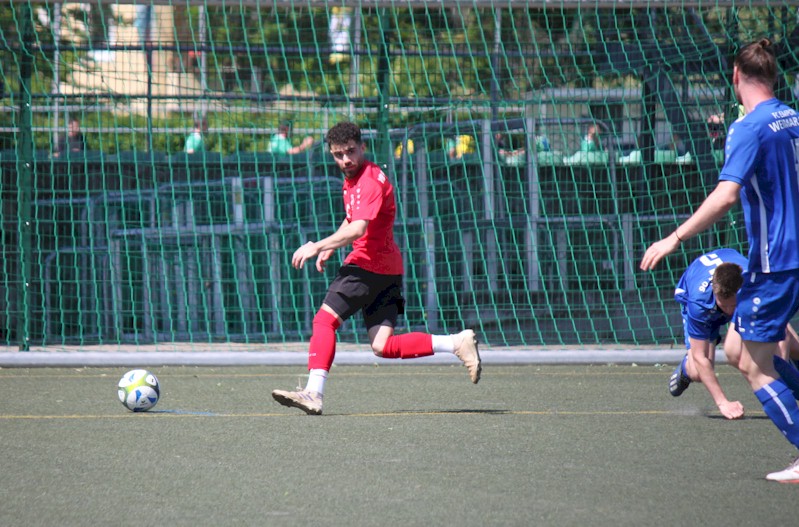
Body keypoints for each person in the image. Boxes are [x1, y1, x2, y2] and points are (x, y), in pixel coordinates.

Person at [640, 39, 799, 482]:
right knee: (735, 348)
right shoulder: (793, 118)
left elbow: (726, 194)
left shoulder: (748, 128)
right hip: (788, 256)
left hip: (776, 260)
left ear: (735, 76)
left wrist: (675, 236)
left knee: (751, 363)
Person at [271, 121, 481, 415]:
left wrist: (316, 245)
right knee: (383, 345)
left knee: (323, 321)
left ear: (363, 147)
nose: (345, 159)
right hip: (388, 270)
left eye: (350, 152)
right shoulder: (355, 178)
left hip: (366, 266)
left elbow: (358, 228)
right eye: (338, 154)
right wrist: (331, 247)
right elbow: (353, 219)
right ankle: (456, 342)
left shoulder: (369, 179)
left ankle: (313, 392)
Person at [668, 249, 748, 420]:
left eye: (732, 305)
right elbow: (699, 357)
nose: (728, 311)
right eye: (724, 305)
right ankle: (685, 369)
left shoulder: (751, 282)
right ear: (714, 290)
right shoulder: (698, 302)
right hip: (705, 308)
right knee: (698, 371)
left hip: (733, 281)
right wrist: (723, 403)